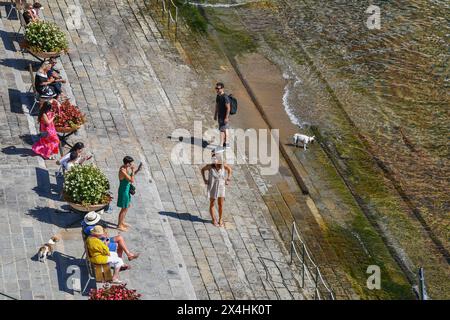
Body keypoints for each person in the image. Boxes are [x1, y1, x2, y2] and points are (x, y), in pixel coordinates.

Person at [201, 153, 232, 227]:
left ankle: (220, 219)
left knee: (220, 204)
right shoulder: (210, 167)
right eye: (213, 160)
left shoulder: (223, 166)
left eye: (215, 160)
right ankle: (213, 219)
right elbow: (202, 170)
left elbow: (230, 170)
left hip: (221, 187)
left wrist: (228, 179)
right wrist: (205, 179)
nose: (214, 162)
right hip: (213, 187)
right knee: (212, 203)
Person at [117, 156, 142, 231]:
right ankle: (119, 225)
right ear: (127, 164)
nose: (132, 164)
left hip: (126, 190)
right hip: (123, 191)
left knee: (127, 207)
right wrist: (133, 170)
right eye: (131, 163)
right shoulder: (123, 170)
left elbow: (130, 176)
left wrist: (137, 170)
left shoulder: (126, 168)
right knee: (123, 208)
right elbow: (131, 180)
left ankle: (122, 222)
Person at [214, 82, 231, 151]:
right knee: (225, 129)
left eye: (218, 89)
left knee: (221, 130)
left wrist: (226, 117)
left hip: (224, 117)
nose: (217, 90)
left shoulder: (225, 97)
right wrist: (215, 114)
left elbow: (228, 108)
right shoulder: (218, 96)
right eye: (216, 88)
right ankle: (227, 144)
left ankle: (221, 146)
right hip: (220, 116)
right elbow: (217, 106)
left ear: (222, 88)